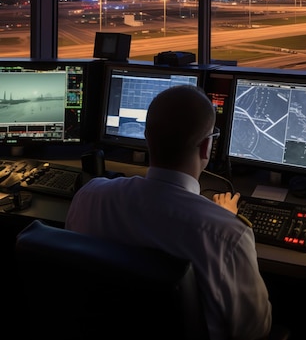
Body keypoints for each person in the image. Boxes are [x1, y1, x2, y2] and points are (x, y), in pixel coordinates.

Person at [66, 84, 273, 340]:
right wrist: (223, 218)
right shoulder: (228, 235)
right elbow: (255, 330)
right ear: (206, 148)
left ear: (146, 137)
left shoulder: (90, 196)